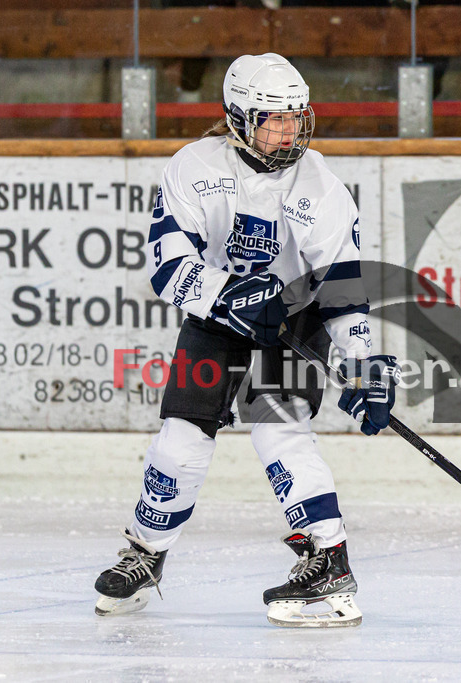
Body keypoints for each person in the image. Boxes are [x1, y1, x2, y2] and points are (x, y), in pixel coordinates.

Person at [93, 53, 398, 628]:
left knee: (280, 432)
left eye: (296, 118)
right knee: (180, 440)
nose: (288, 132)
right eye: (273, 119)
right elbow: (167, 264)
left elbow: (341, 285)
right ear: (237, 118)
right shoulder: (193, 167)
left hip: (293, 320)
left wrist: (361, 363)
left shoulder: (321, 186)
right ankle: (146, 554)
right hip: (217, 317)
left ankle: (328, 560)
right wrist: (229, 295)